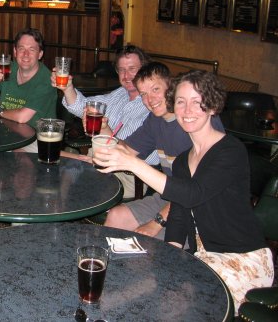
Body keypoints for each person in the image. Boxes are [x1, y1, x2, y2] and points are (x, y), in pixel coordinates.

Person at [93, 70, 274, 311]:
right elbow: (179, 212)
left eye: (196, 102)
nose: (187, 110)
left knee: (175, 303)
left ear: (212, 106)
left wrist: (132, 164)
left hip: (240, 258)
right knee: (159, 288)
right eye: (180, 102)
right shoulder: (182, 162)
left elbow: (192, 194)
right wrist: (169, 258)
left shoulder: (230, 150)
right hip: (204, 255)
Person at [103, 62, 224, 240]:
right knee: (116, 216)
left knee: (145, 242)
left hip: (200, 208)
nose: (150, 99)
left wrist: (157, 222)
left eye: (155, 89)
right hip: (168, 198)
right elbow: (126, 151)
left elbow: (193, 192)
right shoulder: (156, 120)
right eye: (143, 94)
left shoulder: (197, 126)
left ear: (171, 87)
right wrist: (103, 128)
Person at [52, 44, 154, 198]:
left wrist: (95, 155)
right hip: (95, 163)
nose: (126, 76)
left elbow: (132, 154)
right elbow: (83, 107)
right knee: (50, 168)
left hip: (126, 174)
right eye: (122, 70)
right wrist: (67, 88)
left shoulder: (153, 105)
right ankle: (60, 206)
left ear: (144, 69)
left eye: (132, 69)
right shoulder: (119, 94)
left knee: (72, 183)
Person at [0, 27, 57, 151]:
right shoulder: (7, 68)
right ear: (15, 51)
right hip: (7, 134)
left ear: (40, 54)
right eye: (21, 48)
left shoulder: (46, 79)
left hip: (39, 140)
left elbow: (22, 117)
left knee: (5, 155)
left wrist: (0, 113)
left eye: (32, 49)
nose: (25, 54)